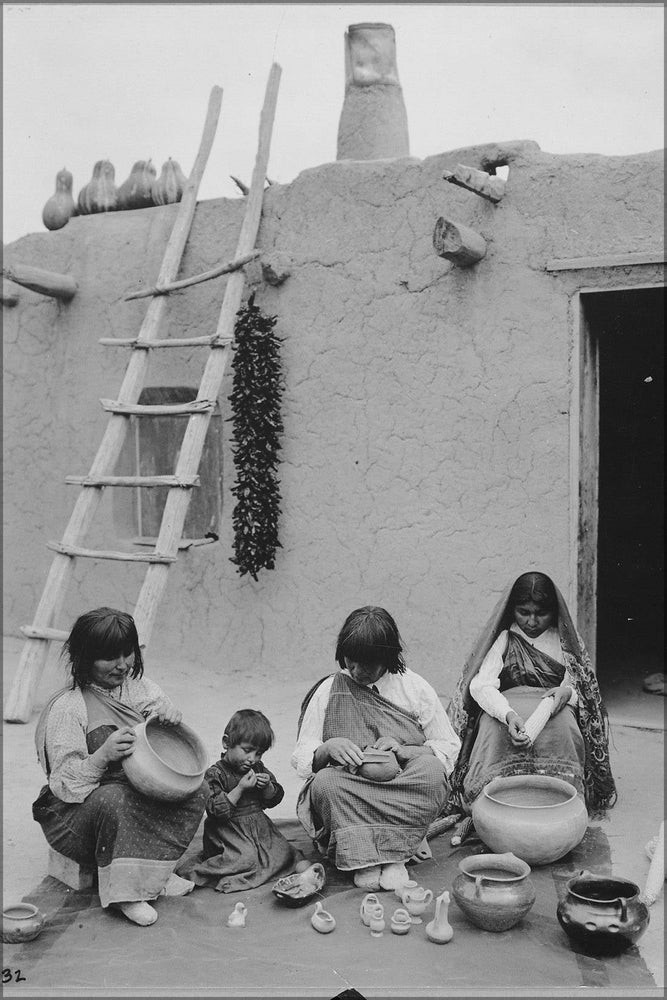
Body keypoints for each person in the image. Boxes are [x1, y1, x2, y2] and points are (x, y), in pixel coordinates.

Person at [33, 608, 206, 926]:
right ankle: (125, 894)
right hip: (78, 815)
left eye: (127, 653)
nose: (123, 664)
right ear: (85, 658)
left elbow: (159, 714)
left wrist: (168, 716)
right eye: (109, 657)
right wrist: (103, 756)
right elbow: (64, 785)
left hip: (132, 792)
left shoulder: (139, 687)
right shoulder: (70, 706)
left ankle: (156, 875)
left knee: (198, 787)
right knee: (115, 798)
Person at [292, 606, 461, 892]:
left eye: (366, 664)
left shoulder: (414, 687)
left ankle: (395, 855)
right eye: (350, 662)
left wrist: (404, 751)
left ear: (387, 657)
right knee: (323, 785)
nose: (356, 671)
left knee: (433, 775)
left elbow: (449, 748)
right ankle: (364, 858)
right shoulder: (329, 690)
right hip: (352, 784)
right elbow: (302, 757)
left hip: (400, 783)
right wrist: (328, 748)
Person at [448, 572, 617, 817]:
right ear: (512, 610)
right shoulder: (505, 638)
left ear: (554, 611)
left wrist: (565, 692)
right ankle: (488, 798)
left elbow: (582, 687)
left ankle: (564, 796)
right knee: (490, 731)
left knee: (565, 729)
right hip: (505, 709)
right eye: (524, 612)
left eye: (541, 613)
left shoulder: (564, 641)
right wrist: (507, 715)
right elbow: (481, 686)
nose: (532, 621)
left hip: (553, 709)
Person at [178, 709, 298, 892]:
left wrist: (267, 787)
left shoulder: (258, 768)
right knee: (245, 858)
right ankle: (199, 872)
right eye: (248, 751)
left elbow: (274, 800)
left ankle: (249, 869)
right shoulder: (215, 773)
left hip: (258, 828)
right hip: (227, 833)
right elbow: (215, 811)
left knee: (284, 851)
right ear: (227, 743)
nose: (253, 759)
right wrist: (240, 788)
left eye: (259, 753)